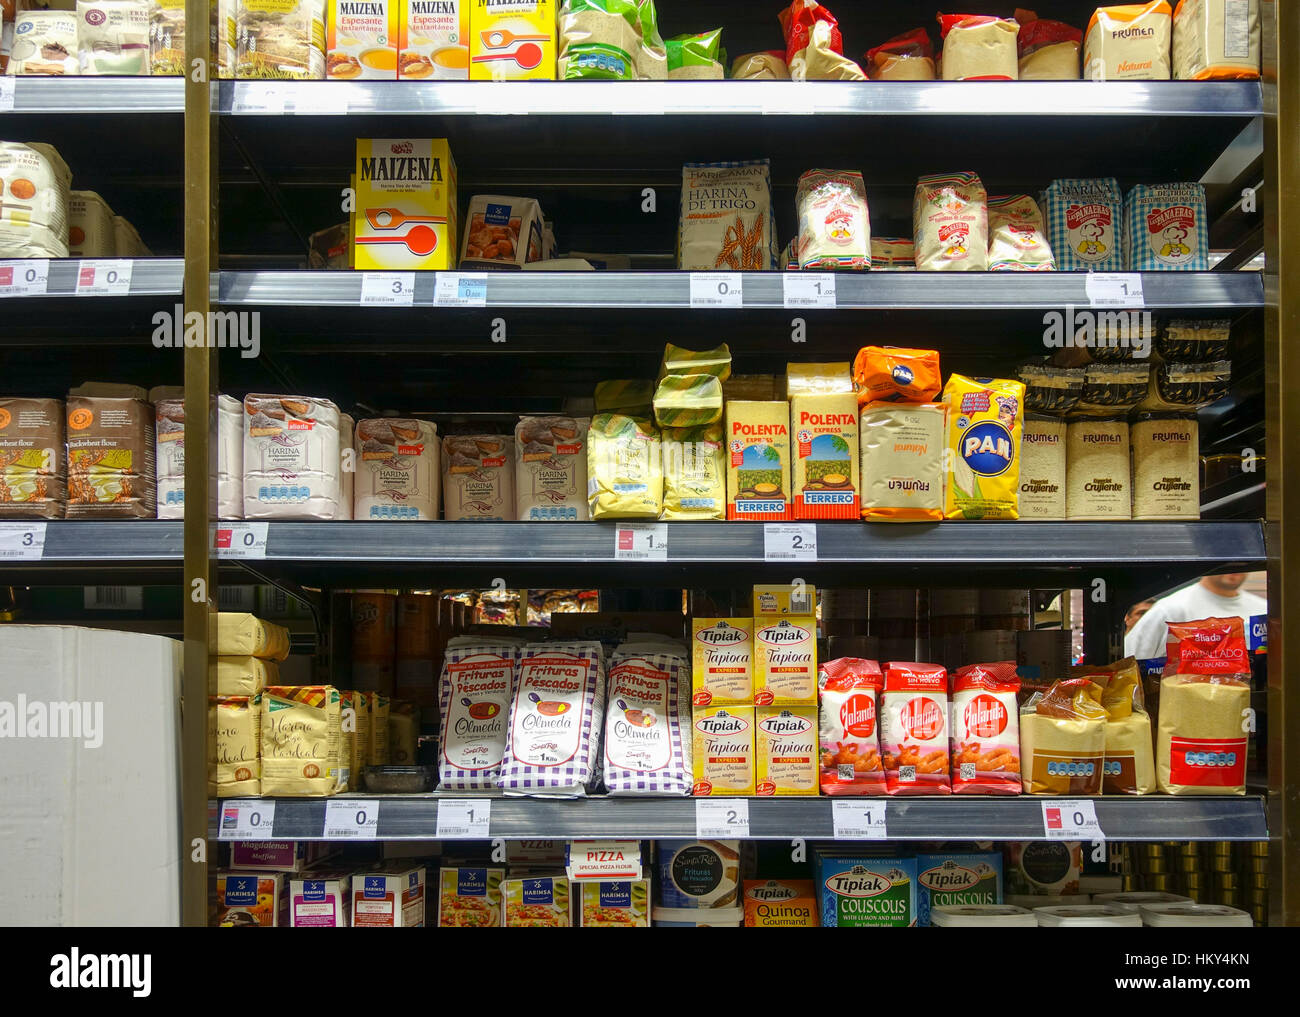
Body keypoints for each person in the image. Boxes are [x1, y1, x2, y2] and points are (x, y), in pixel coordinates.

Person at [1123, 573, 1266, 660]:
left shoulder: (1264, 609)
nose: (1237, 564)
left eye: (1243, 557)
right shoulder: (1171, 608)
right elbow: (1130, 659)